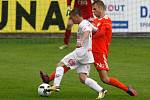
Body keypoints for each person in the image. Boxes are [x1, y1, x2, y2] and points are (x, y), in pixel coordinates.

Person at [40, 8, 107, 99]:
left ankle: (56, 85)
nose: (71, 20)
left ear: (76, 16)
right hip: (87, 54)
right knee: (83, 78)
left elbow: (87, 32)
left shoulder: (83, 24)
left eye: (72, 18)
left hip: (80, 53)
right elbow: (95, 30)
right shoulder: (88, 23)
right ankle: (101, 91)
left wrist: (82, 41)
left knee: (60, 64)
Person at [91, 0, 137, 96]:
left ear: (100, 8)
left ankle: (127, 89)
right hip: (90, 51)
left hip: (99, 52)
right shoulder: (95, 21)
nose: (93, 11)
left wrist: (90, 33)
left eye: (94, 9)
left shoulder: (107, 20)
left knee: (105, 79)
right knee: (71, 63)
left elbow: (101, 33)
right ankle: (52, 80)